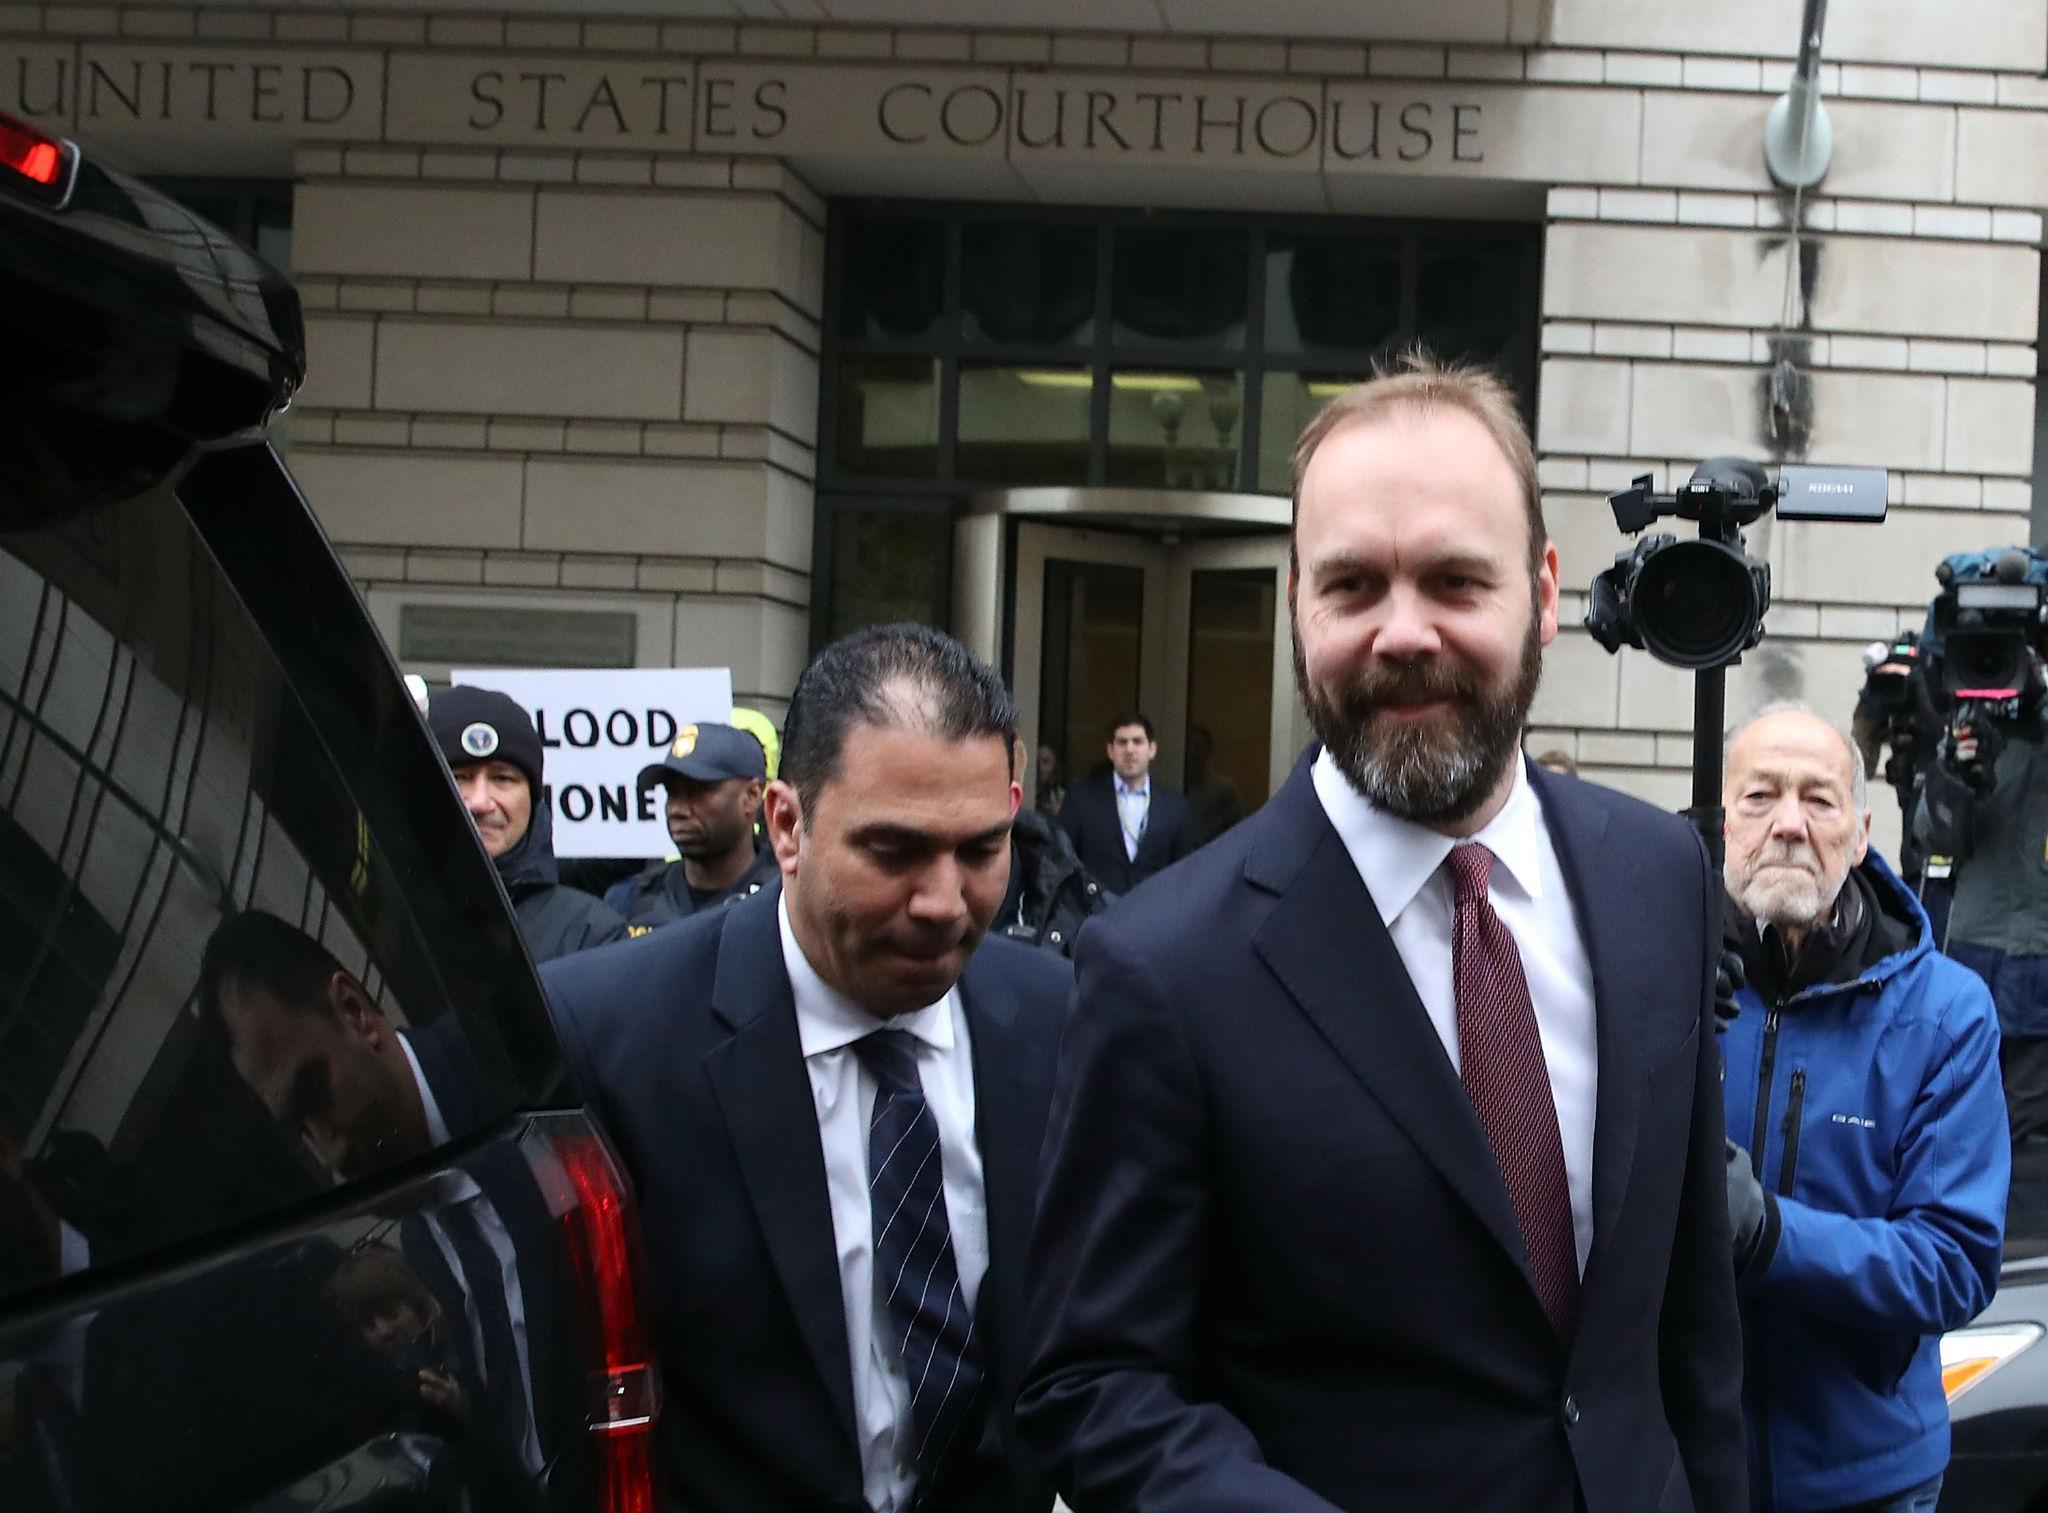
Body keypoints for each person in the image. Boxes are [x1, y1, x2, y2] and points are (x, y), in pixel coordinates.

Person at [1020, 354, 1746, 1513]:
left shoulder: (1657, 877)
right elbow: (1092, 1385)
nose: (1400, 634)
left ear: (1544, 590)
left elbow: (1689, 1319)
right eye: (1353, 586)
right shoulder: (1164, 966)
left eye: (1455, 581)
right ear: (1295, 599)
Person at [542, 623, 1069, 1513]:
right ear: (786, 822)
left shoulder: (1065, 1019)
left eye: (982, 849)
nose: (944, 904)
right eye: (893, 851)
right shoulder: (606, 1033)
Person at [1718, 706, 2006, 1513]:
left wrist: (1771, 1233)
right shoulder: (1660, 978)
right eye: (1760, 796)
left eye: (1818, 799)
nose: (1787, 824)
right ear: (1720, 820)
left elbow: (1953, 1262)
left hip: (1867, 1479)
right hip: (1682, 1469)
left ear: (1860, 829)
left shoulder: (1948, 1013)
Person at [198, 911, 566, 1511]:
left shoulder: (532, 1066)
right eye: (300, 1129)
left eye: (316, 1092)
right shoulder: (419, 1246)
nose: (331, 1150)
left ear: (355, 1011)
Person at [427, 685, 630, 963]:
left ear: (534, 800)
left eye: (503, 779)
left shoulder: (590, 934)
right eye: (459, 777)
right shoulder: (378, 915)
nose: (480, 802)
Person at [605, 722, 779, 929]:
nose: (677, 810)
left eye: (697, 791)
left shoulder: (787, 899)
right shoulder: (628, 900)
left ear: (751, 796)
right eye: (672, 793)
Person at [1056, 713, 1194, 893]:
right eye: (1122, 742)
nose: (1129, 749)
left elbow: (1185, 871)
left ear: (1152, 749)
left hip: (1153, 912)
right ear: (1110, 751)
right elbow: (1062, 860)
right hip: (1096, 912)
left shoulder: (1175, 808)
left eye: (1137, 741)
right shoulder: (1081, 800)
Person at [1182, 723, 1244, 845]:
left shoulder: (1223, 790)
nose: (1194, 752)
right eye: (1190, 747)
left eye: (1198, 747)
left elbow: (1237, 830)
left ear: (1207, 751)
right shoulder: (1172, 786)